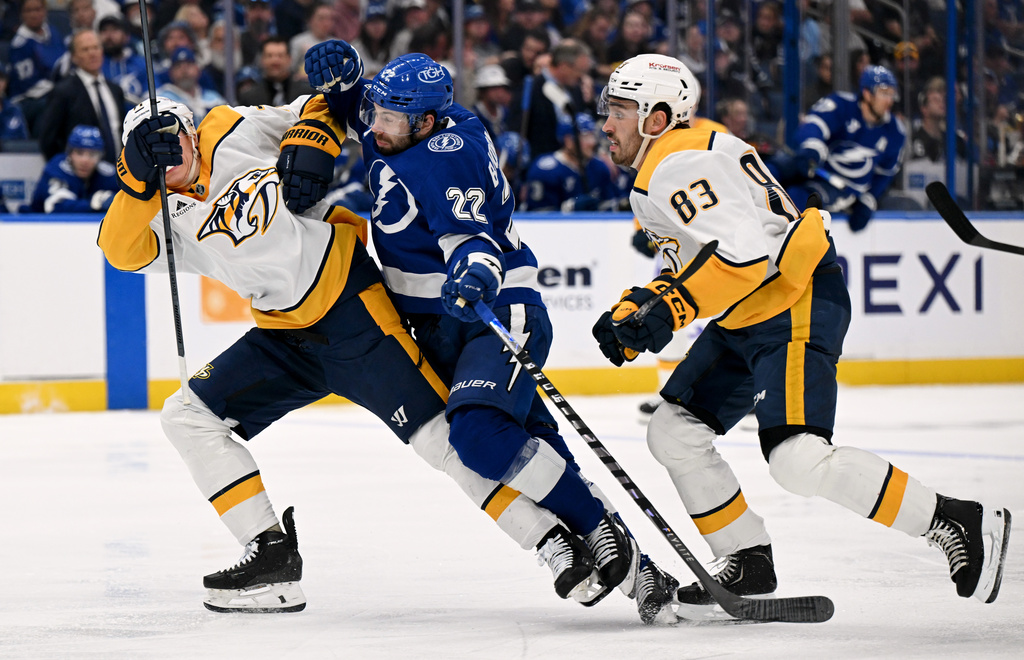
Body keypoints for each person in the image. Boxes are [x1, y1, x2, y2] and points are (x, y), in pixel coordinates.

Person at [97, 95, 621, 616]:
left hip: (354, 313)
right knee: (187, 415)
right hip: (285, 338)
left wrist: (315, 139)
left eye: (173, 138)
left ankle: (552, 540)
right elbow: (119, 252)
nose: (168, 155)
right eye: (150, 152)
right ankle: (270, 555)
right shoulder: (157, 211)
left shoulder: (231, 128)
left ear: (191, 131)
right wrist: (135, 184)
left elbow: (320, 104)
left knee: (442, 440)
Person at [592, 53, 1011, 617]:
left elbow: (745, 258)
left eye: (618, 110)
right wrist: (638, 306)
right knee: (673, 430)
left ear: (657, 117)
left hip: (793, 300)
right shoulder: (674, 158)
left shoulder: (675, 164)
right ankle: (747, 559)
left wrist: (668, 307)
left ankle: (955, 520)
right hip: (750, 311)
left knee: (797, 458)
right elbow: (704, 259)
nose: (604, 122)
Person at [277, 41, 680, 623]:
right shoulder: (414, 118)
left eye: (390, 118)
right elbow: (364, 103)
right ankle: (643, 574)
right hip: (442, 326)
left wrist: (475, 269)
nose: (377, 125)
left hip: (493, 311)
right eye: (379, 113)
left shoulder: (447, 154)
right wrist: (344, 81)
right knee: (542, 455)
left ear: (426, 122)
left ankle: (594, 526)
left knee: (479, 439)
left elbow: (472, 239)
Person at [767, 64, 907, 233]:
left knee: (800, 197)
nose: (889, 101)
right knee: (773, 170)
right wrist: (812, 148)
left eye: (892, 94)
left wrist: (868, 200)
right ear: (867, 94)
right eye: (884, 93)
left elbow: (884, 174)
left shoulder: (895, 132)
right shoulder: (842, 105)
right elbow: (815, 124)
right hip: (815, 165)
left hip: (842, 187)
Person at [37, 28, 126, 165]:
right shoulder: (63, 92)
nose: (92, 53)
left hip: (118, 174)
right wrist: (67, 171)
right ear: (74, 57)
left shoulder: (115, 90)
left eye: (96, 47)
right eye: (85, 49)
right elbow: (48, 139)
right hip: (82, 177)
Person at [521, 112, 620, 212]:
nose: (592, 142)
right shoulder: (544, 170)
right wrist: (568, 209)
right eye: (586, 137)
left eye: (592, 136)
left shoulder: (599, 167)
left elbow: (609, 207)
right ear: (568, 141)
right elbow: (537, 217)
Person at [23, 124, 117, 213]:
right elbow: (55, 206)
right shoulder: (57, 169)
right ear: (69, 153)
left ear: (100, 157)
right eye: (79, 153)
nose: (85, 160)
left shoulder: (108, 174)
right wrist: (93, 204)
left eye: (92, 154)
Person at [156, 47, 225, 126]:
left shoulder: (214, 98)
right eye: (178, 66)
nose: (184, 71)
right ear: (171, 72)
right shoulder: (162, 100)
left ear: (197, 69)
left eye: (189, 65)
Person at [237, 37, 315, 107]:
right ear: (262, 60)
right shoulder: (248, 98)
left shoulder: (308, 95)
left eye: (280, 56)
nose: (275, 61)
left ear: (289, 59)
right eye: (269, 56)